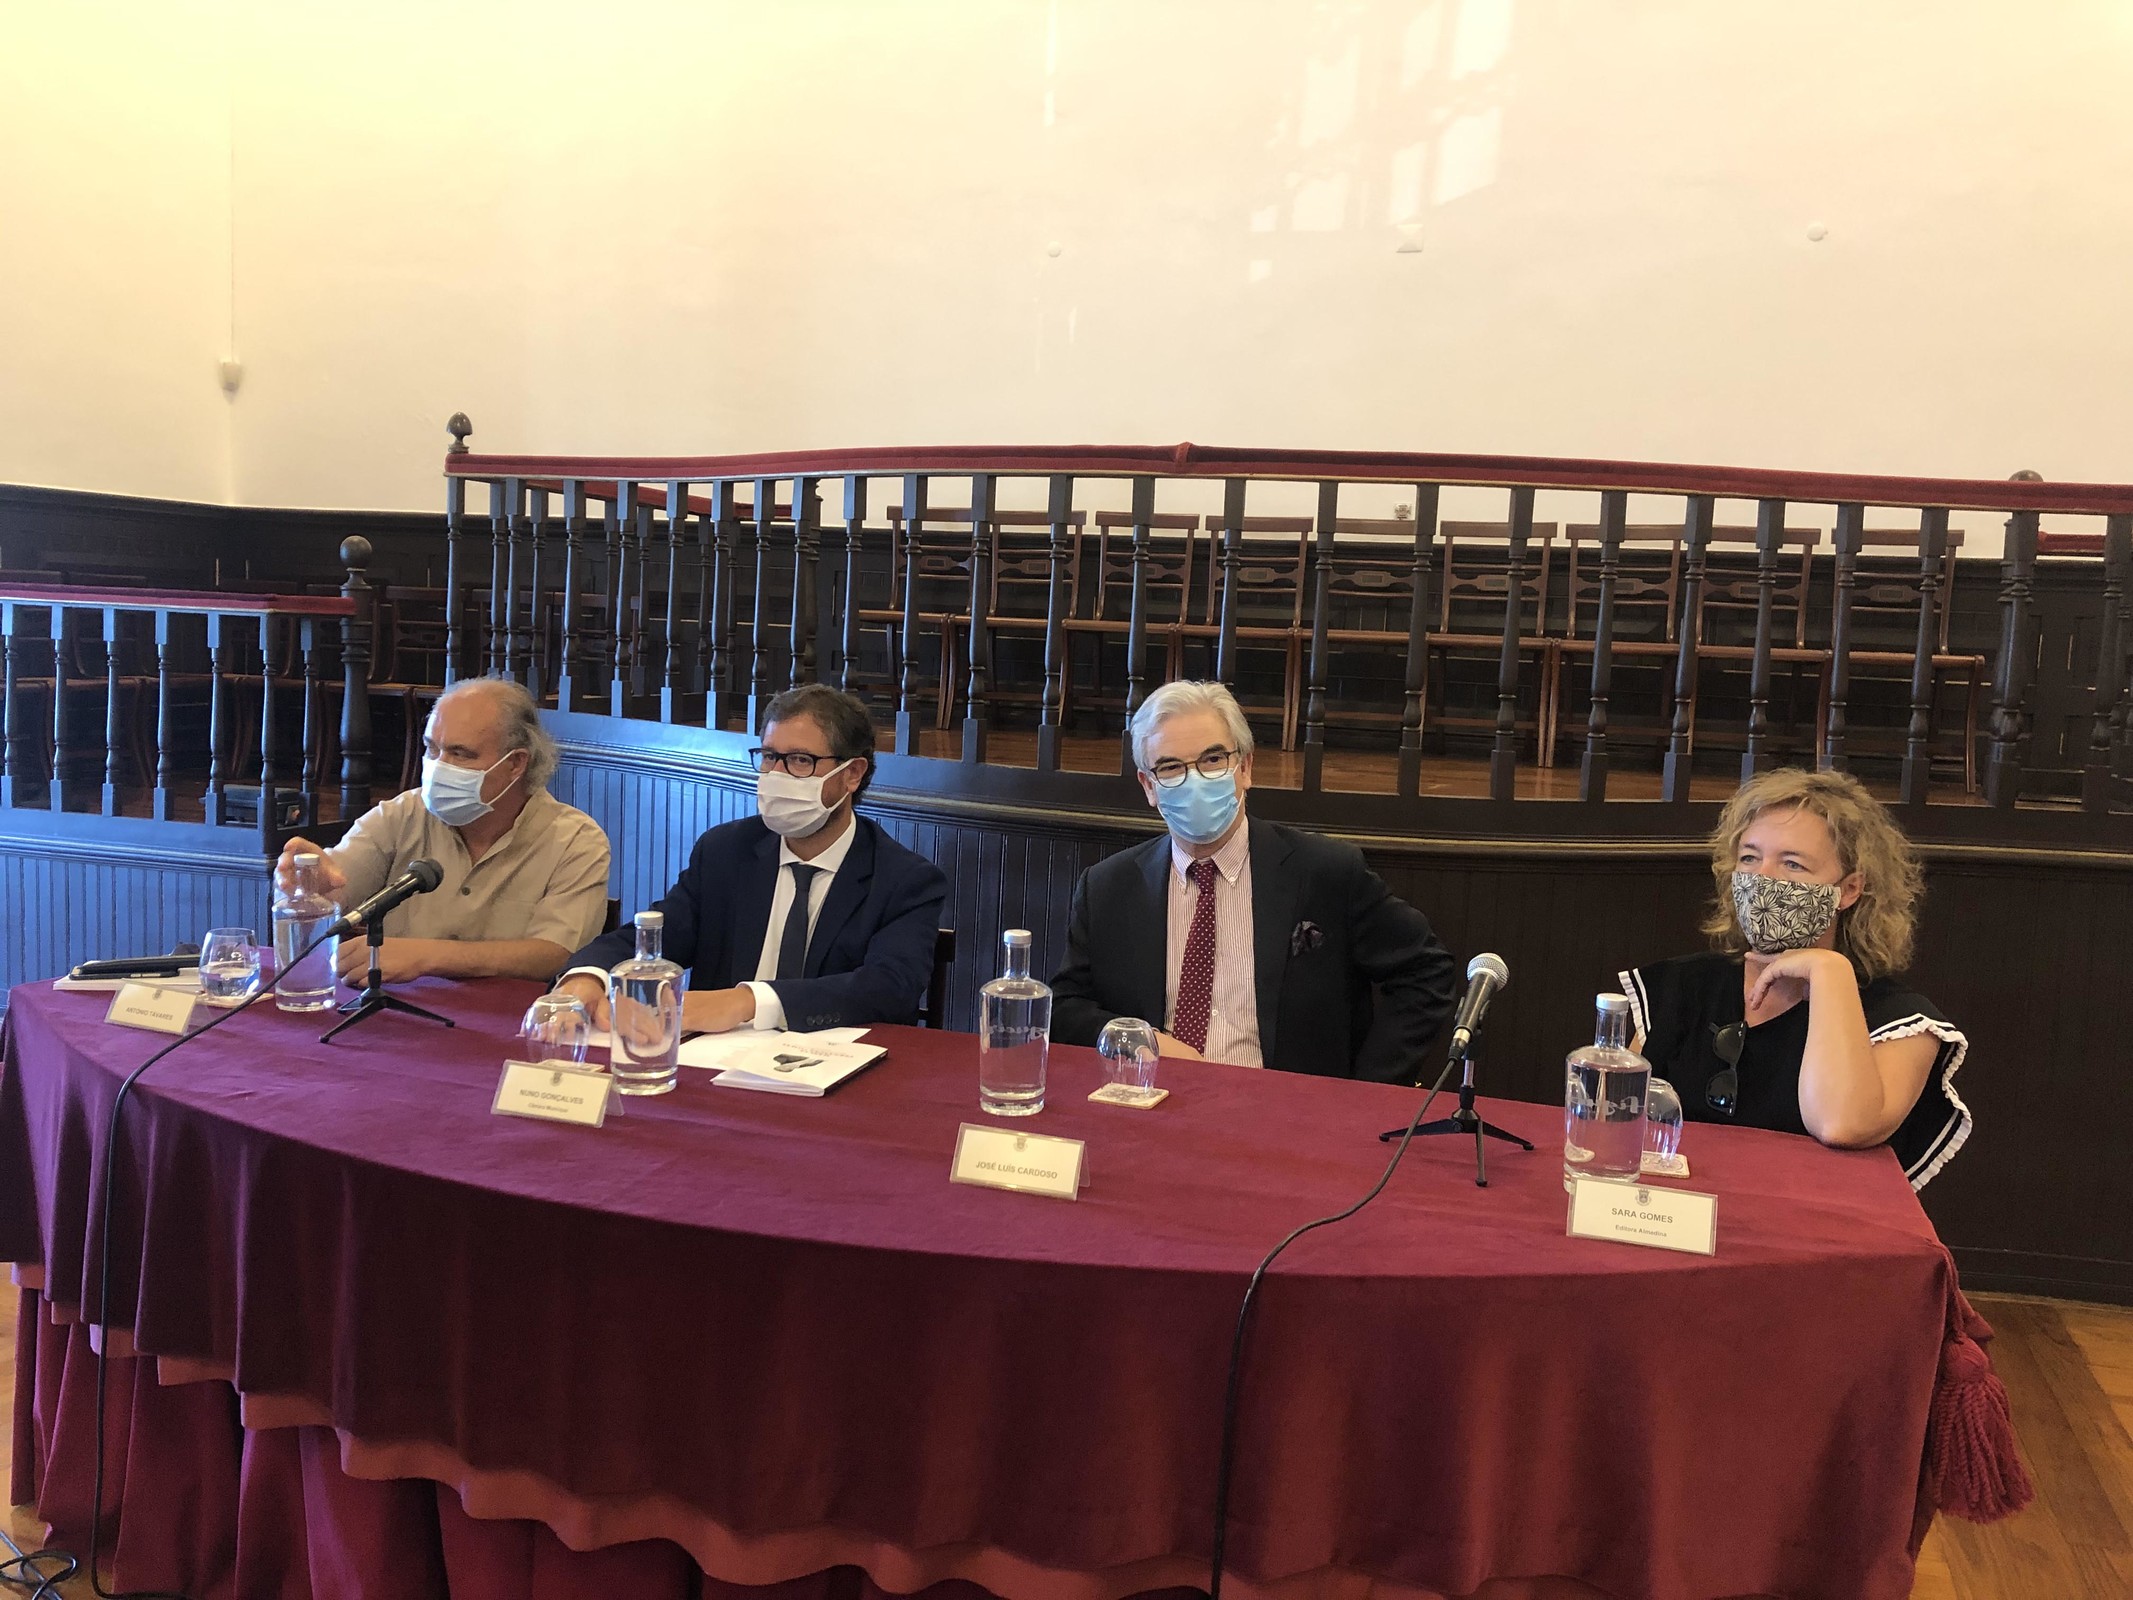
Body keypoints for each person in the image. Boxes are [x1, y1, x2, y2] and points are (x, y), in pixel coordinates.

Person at [1050, 680, 1458, 1081]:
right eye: (1171, 767)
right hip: (1154, 1101)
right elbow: (1067, 1008)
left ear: (1245, 767)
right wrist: (1138, 1040)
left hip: (1286, 1110)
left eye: (1213, 759)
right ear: (1149, 787)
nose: (1195, 780)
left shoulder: (1326, 871)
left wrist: (1366, 1092)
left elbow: (1426, 972)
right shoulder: (1108, 887)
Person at [1618, 767, 1971, 1189]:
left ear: (1849, 890)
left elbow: (1841, 1125)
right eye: (1750, 858)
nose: (1762, 878)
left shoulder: (1902, 1022)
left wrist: (1829, 972)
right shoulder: (1681, 986)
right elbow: (1617, 1124)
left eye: (1792, 864)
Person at [556, 684, 948, 1035]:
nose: (776, 775)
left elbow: (888, 988)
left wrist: (748, 1001)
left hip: (837, 1066)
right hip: (716, 1062)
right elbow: (656, 936)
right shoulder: (726, 852)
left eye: (800, 761)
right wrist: (587, 976)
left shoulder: (904, 879)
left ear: (852, 774)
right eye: (769, 757)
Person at [273, 675, 611, 982]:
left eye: (460, 754)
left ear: (515, 763)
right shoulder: (401, 814)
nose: (438, 767)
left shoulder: (575, 840)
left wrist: (426, 956)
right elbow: (337, 884)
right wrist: (310, 884)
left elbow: (556, 954)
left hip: (510, 1019)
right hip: (402, 1014)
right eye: (432, 749)